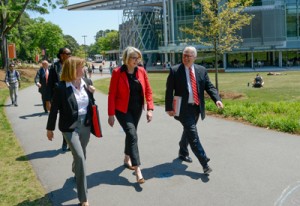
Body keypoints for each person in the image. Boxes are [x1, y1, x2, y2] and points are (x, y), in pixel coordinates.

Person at [165, 46, 224, 174]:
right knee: (193, 135)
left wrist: (217, 99)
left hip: (196, 108)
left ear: (194, 57)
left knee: (188, 131)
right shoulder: (175, 70)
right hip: (182, 109)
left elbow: (209, 87)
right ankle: (204, 162)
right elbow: (169, 91)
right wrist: (169, 108)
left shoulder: (201, 70)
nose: (185, 58)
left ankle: (182, 151)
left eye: (189, 56)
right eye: (184, 55)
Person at [46, 56, 95, 206]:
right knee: (80, 157)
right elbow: (54, 110)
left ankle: (76, 169)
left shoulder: (87, 82)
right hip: (69, 127)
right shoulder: (61, 88)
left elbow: (90, 105)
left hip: (85, 124)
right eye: (82, 66)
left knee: (81, 154)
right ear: (73, 69)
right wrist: (50, 128)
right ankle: (84, 198)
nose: (84, 69)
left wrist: (92, 93)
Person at [108, 46, 154, 184]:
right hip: (122, 110)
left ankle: (126, 158)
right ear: (127, 59)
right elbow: (112, 95)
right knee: (132, 134)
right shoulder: (117, 72)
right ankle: (138, 169)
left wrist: (150, 108)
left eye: (138, 57)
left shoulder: (141, 71)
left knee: (131, 134)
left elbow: (148, 91)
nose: (137, 60)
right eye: (134, 57)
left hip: (136, 109)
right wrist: (111, 114)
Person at [47, 47, 71, 151]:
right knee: (63, 119)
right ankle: (65, 140)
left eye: (70, 53)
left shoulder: (72, 65)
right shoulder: (54, 67)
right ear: (61, 55)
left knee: (71, 118)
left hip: (70, 96)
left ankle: (70, 141)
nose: (70, 55)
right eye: (68, 53)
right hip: (58, 97)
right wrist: (47, 100)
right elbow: (49, 85)